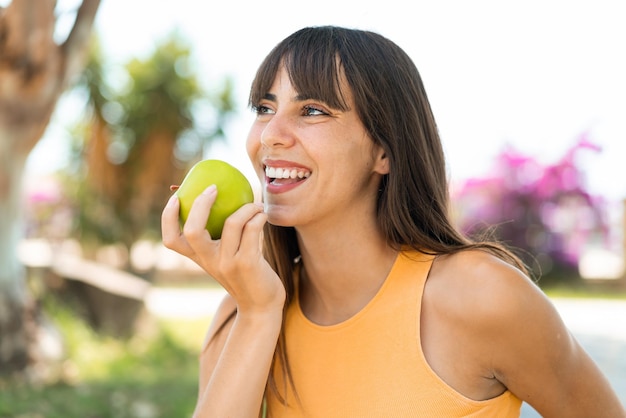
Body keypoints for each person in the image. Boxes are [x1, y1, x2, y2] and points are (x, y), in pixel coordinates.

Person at [161, 26, 625, 418]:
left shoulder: (482, 296)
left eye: (313, 110)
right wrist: (258, 313)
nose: (271, 137)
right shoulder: (243, 312)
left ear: (383, 150)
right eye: (265, 109)